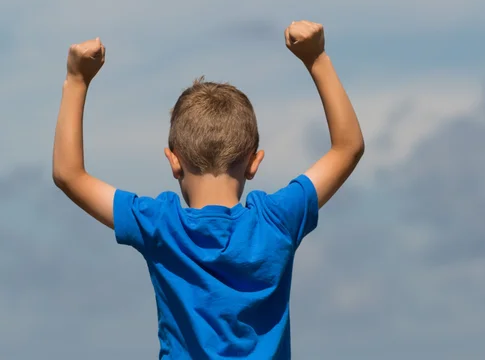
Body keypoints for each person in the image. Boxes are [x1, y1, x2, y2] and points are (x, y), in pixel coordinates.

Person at [52, 20, 364, 359]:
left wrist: (76, 80)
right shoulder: (277, 221)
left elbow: (69, 174)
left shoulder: (161, 226)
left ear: (173, 161)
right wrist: (316, 58)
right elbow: (348, 148)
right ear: (253, 162)